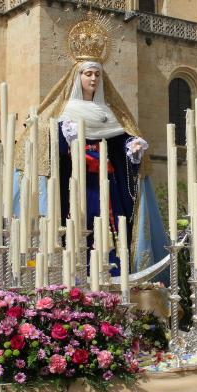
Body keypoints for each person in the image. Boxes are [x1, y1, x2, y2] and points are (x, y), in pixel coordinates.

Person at [54, 60, 149, 267]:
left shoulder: (108, 112)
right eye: (88, 74)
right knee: (81, 219)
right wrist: (68, 139)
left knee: (110, 221)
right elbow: (57, 149)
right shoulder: (67, 109)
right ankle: (79, 266)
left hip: (107, 179)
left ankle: (113, 268)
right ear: (78, 78)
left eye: (97, 74)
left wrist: (132, 145)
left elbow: (118, 141)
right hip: (79, 179)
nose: (94, 79)